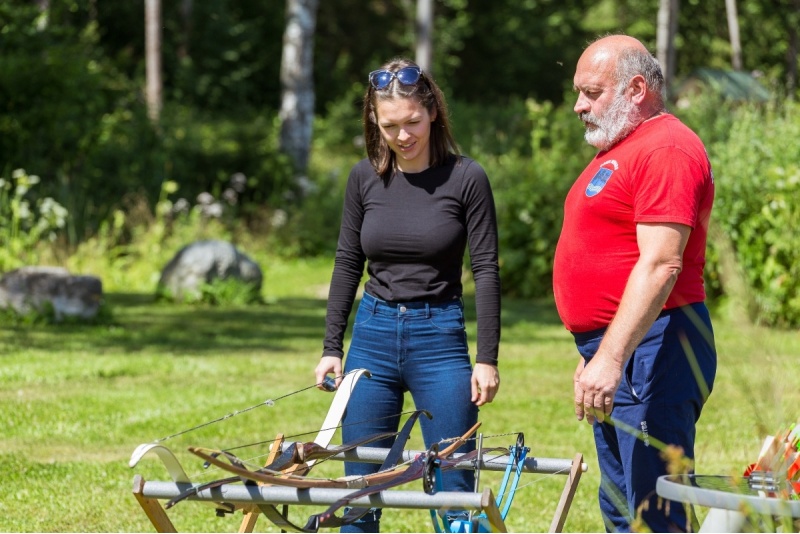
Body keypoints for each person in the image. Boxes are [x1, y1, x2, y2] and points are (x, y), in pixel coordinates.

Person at [314, 57, 501, 533]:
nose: (403, 136)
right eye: (390, 126)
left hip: (439, 337)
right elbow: (347, 263)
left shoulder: (467, 178)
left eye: (412, 122)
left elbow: (485, 268)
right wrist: (332, 348)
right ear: (374, 123)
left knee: (455, 487)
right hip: (372, 338)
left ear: (433, 110)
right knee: (359, 492)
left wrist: (487, 358)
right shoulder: (364, 179)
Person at [553, 35, 717, 532]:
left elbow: (662, 263)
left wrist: (610, 357)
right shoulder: (622, 148)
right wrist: (596, 353)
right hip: (623, 347)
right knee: (623, 504)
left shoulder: (667, 147)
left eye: (591, 92)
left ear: (636, 88)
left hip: (657, 346)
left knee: (653, 508)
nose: (579, 105)